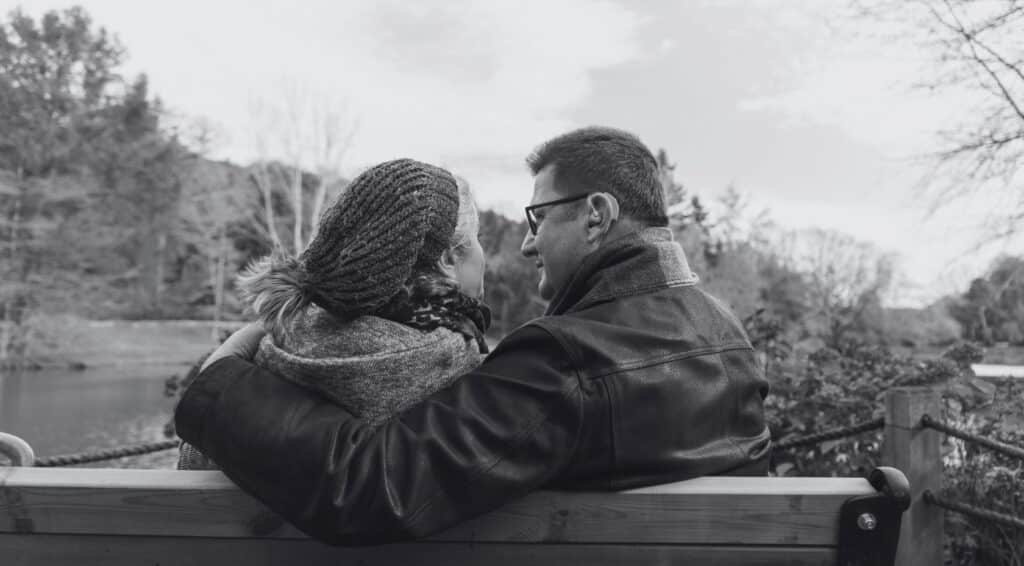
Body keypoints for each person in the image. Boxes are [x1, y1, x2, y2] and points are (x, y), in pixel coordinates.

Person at [175, 126, 771, 546]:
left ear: (596, 214)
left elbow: (372, 487)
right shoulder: (727, 333)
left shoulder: (569, 360)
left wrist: (219, 379)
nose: (527, 243)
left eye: (538, 217)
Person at [178, 159, 490, 469]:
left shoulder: (277, 339)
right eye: (479, 239)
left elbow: (192, 460)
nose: (482, 254)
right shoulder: (456, 362)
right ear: (448, 258)